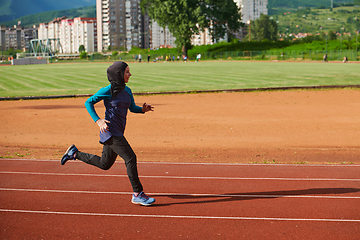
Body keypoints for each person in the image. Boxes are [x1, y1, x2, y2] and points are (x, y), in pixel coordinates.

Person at [60, 61, 155, 206]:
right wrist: (98, 121)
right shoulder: (108, 90)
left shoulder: (127, 90)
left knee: (105, 164)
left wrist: (142, 109)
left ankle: (74, 153)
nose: (130, 74)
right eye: (127, 72)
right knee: (130, 157)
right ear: (118, 74)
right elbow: (88, 103)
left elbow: (131, 108)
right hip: (110, 132)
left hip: (118, 131)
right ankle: (138, 193)